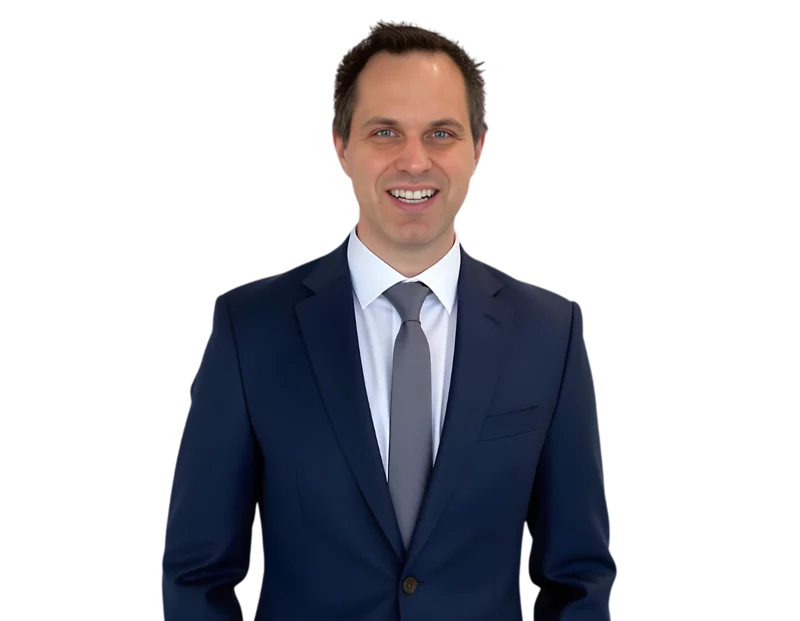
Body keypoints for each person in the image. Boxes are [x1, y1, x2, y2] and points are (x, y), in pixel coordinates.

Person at [161, 19, 617, 620]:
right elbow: (196, 576)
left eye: (441, 133)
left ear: (479, 148)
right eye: (385, 132)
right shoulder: (252, 329)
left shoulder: (548, 332)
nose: (414, 160)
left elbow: (580, 578)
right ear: (340, 146)